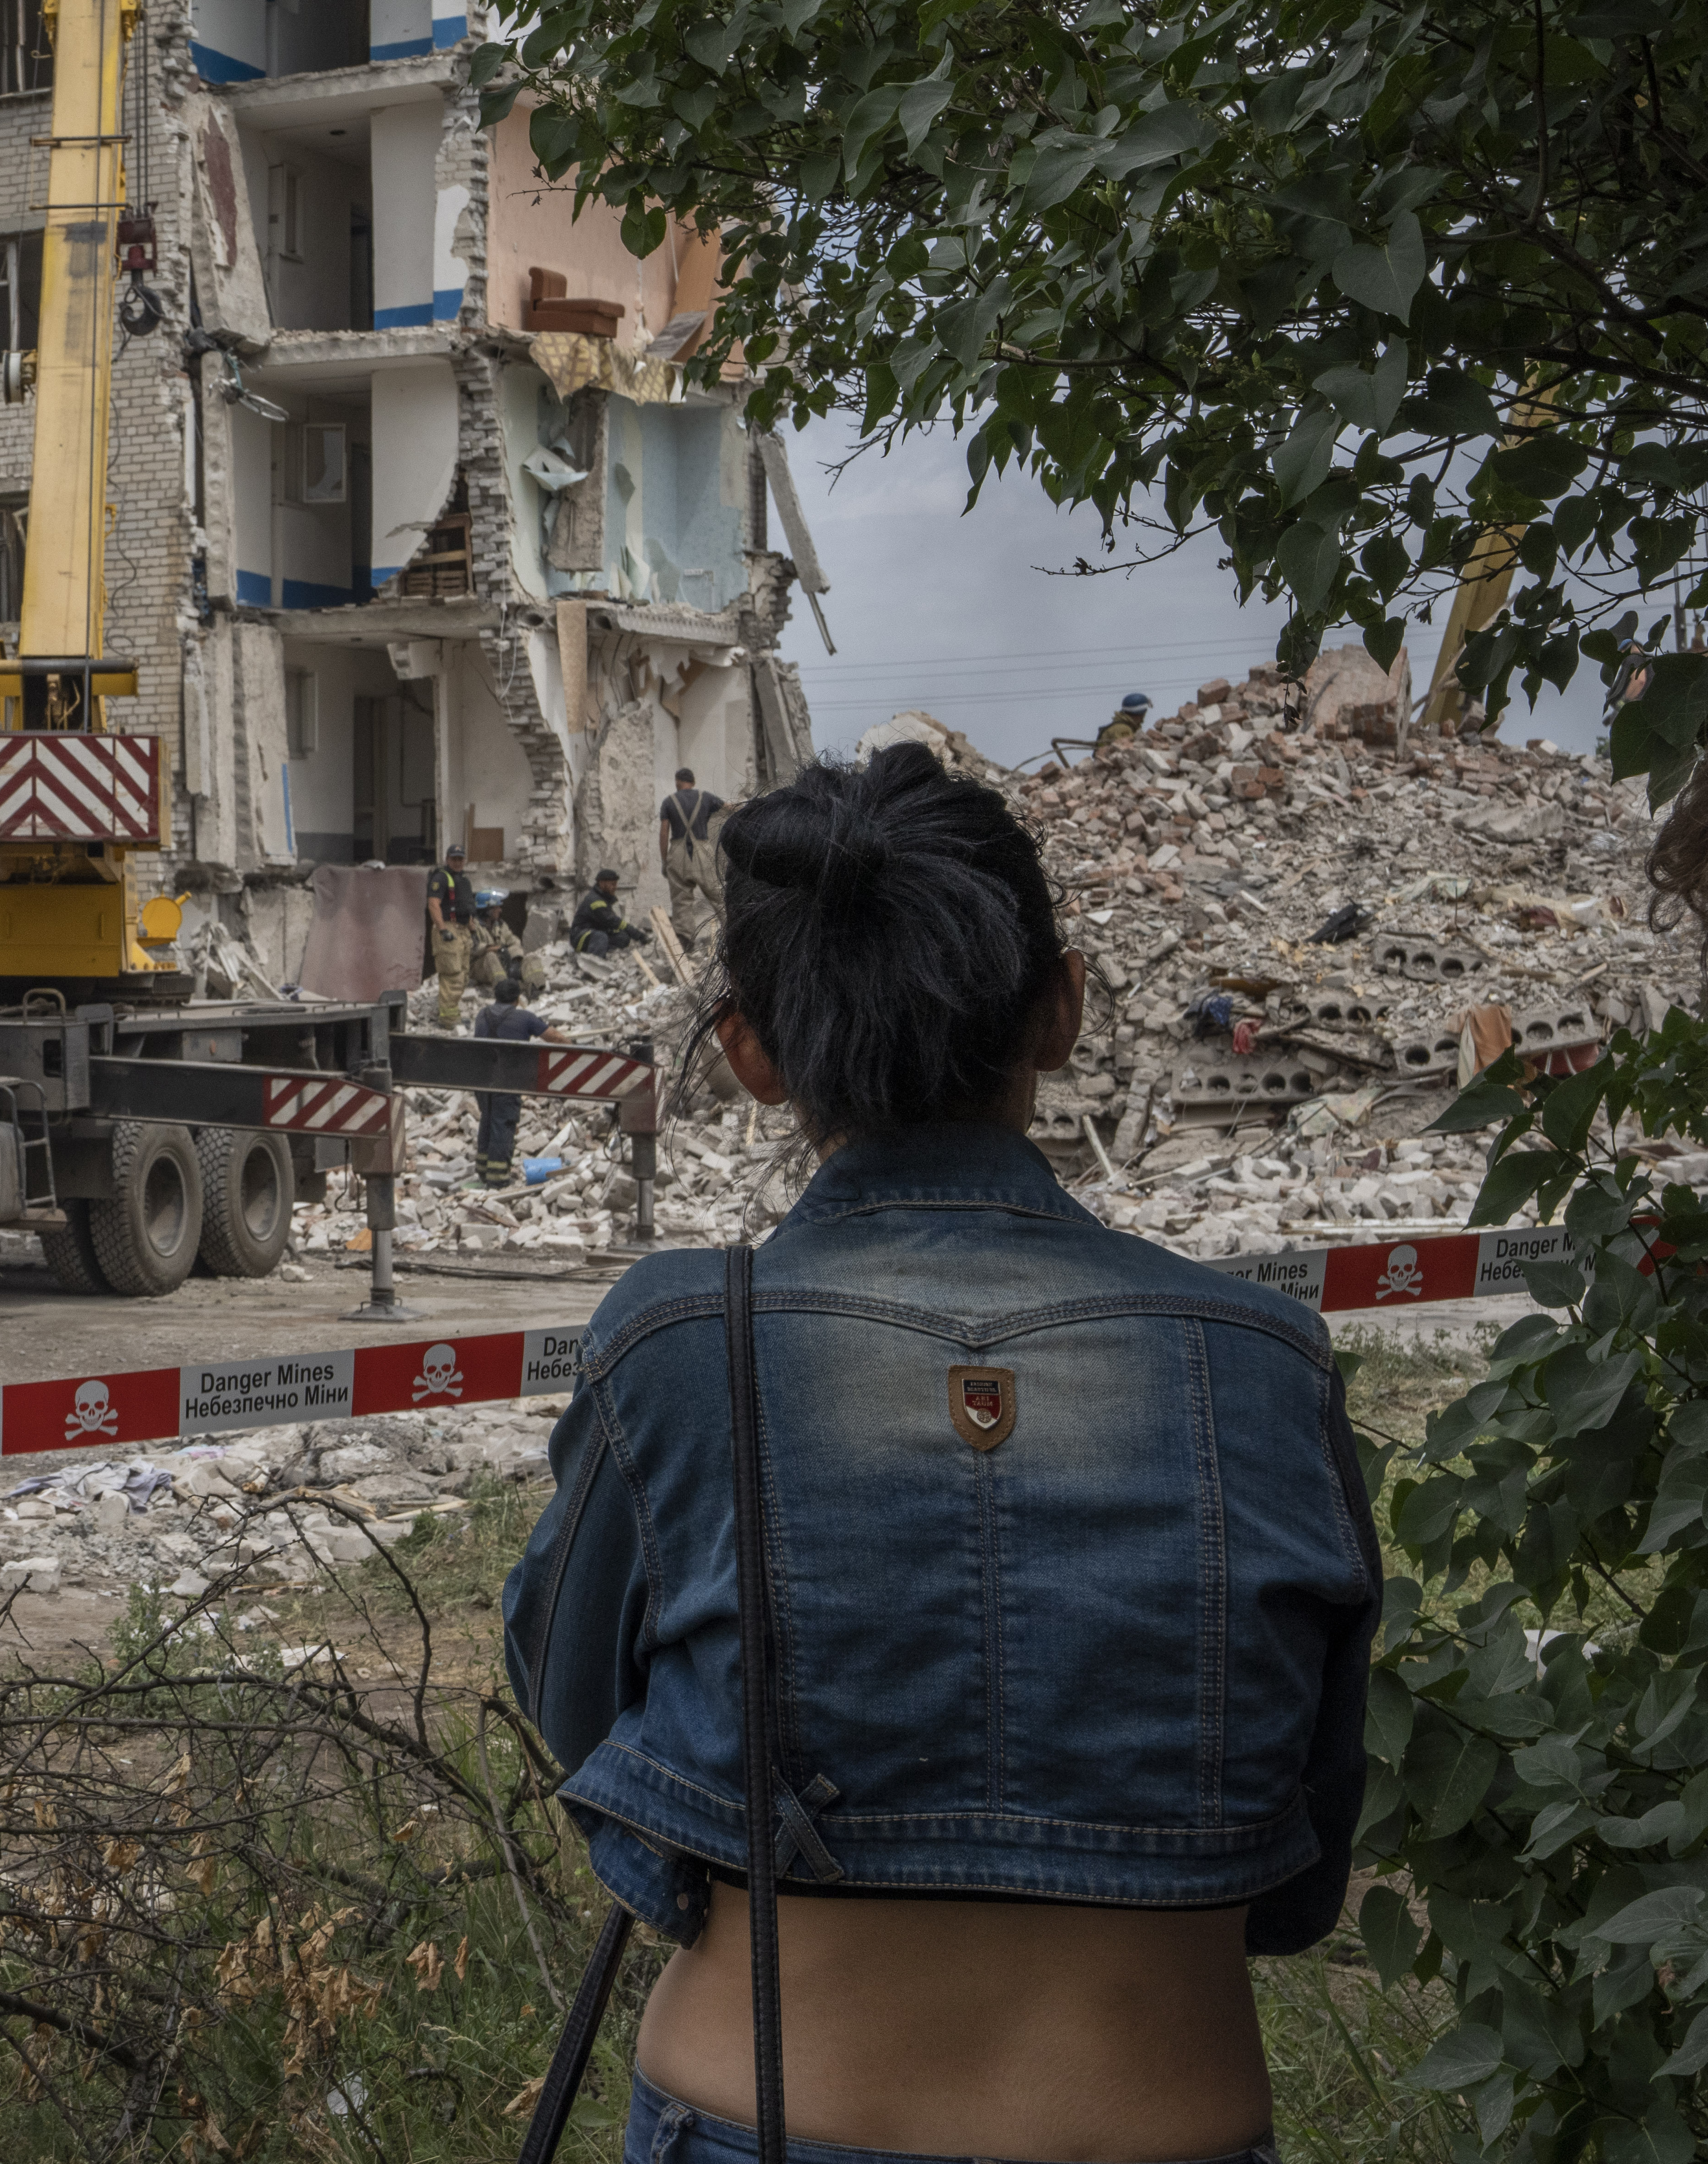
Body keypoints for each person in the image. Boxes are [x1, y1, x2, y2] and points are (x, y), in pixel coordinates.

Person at [505, 741, 1376, 2164]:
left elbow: (580, 1706)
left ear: (748, 1051)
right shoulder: (1261, 1367)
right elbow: (1295, 1850)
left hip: (756, 2120)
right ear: (1061, 1009)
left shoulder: (674, 1347)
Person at [467, 976, 567, 1185]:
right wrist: (576, 1048)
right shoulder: (524, 1018)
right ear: (517, 999)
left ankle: (483, 1171)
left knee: (488, 1119)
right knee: (503, 1123)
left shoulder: (482, 1016)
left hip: (482, 1080)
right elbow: (555, 1038)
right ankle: (499, 1178)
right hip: (507, 1080)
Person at [658, 768, 726, 946]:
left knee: (681, 899)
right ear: (694, 783)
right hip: (703, 851)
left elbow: (664, 833)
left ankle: (685, 939)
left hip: (679, 851)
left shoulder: (669, 802)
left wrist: (665, 861)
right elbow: (728, 808)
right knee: (718, 895)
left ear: (677, 782)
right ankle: (734, 929)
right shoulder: (706, 797)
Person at [427, 841, 480, 1027]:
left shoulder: (464, 881)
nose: (458, 862)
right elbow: (433, 904)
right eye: (454, 859)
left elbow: (467, 908)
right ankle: (448, 1020)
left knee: (464, 975)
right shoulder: (441, 878)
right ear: (448, 859)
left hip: (464, 930)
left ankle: (452, 1014)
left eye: (461, 859)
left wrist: (473, 930)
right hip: (449, 928)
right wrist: (442, 930)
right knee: (452, 975)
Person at [570, 867, 643, 956]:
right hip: (580, 937)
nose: (615, 888)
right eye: (613, 884)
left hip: (593, 934)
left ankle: (605, 954)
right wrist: (637, 935)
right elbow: (612, 921)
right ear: (602, 883)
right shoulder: (595, 901)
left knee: (623, 938)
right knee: (601, 937)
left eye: (616, 884)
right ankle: (594, 963)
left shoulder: (602, 898)